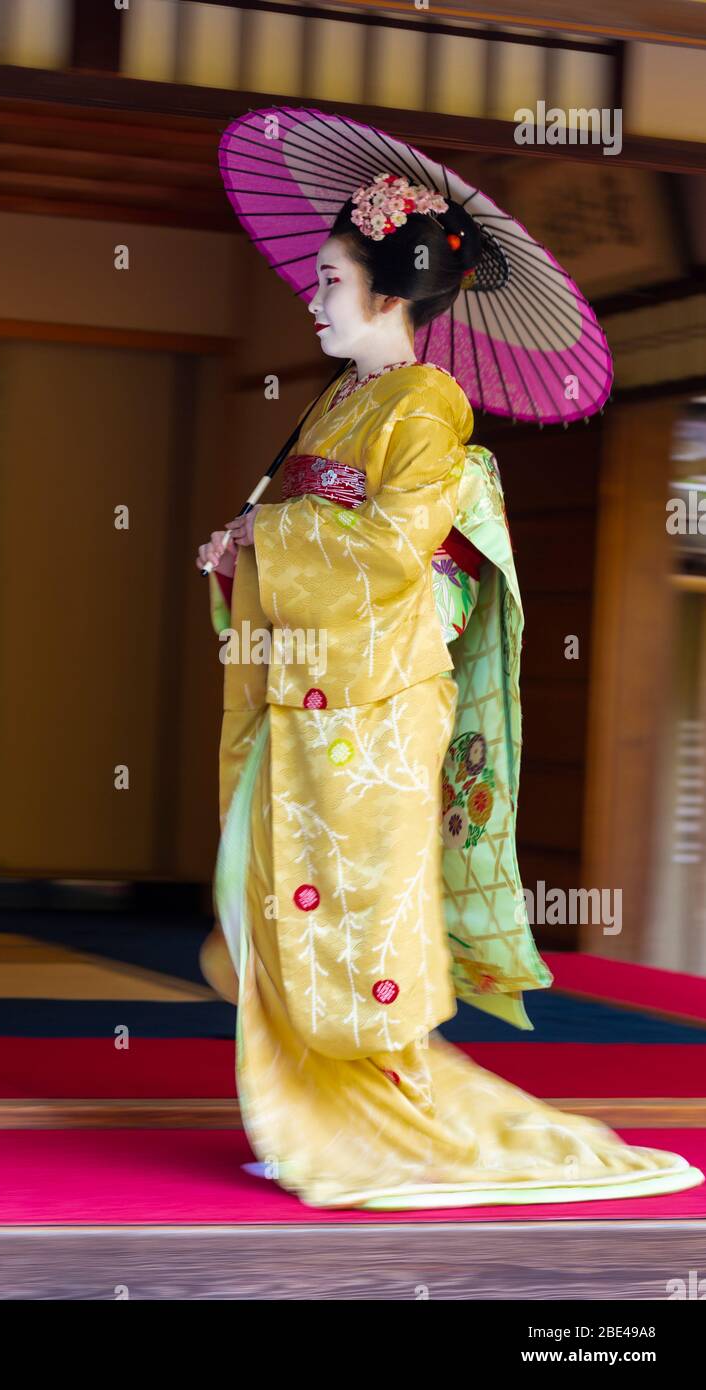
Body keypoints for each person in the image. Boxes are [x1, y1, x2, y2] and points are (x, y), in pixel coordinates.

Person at [194, 174, 705, 1209]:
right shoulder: (336, 399)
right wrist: (238, 554)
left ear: (390, 295)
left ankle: (377, 1123)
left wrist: (272, 536)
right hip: (309, 688)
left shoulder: (426, 402)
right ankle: (314, 1111)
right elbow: (319, 542)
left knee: (351, 917)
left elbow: (392, 547)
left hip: (371, 707)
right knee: (267, 900)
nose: (312, 297)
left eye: (330, 280)